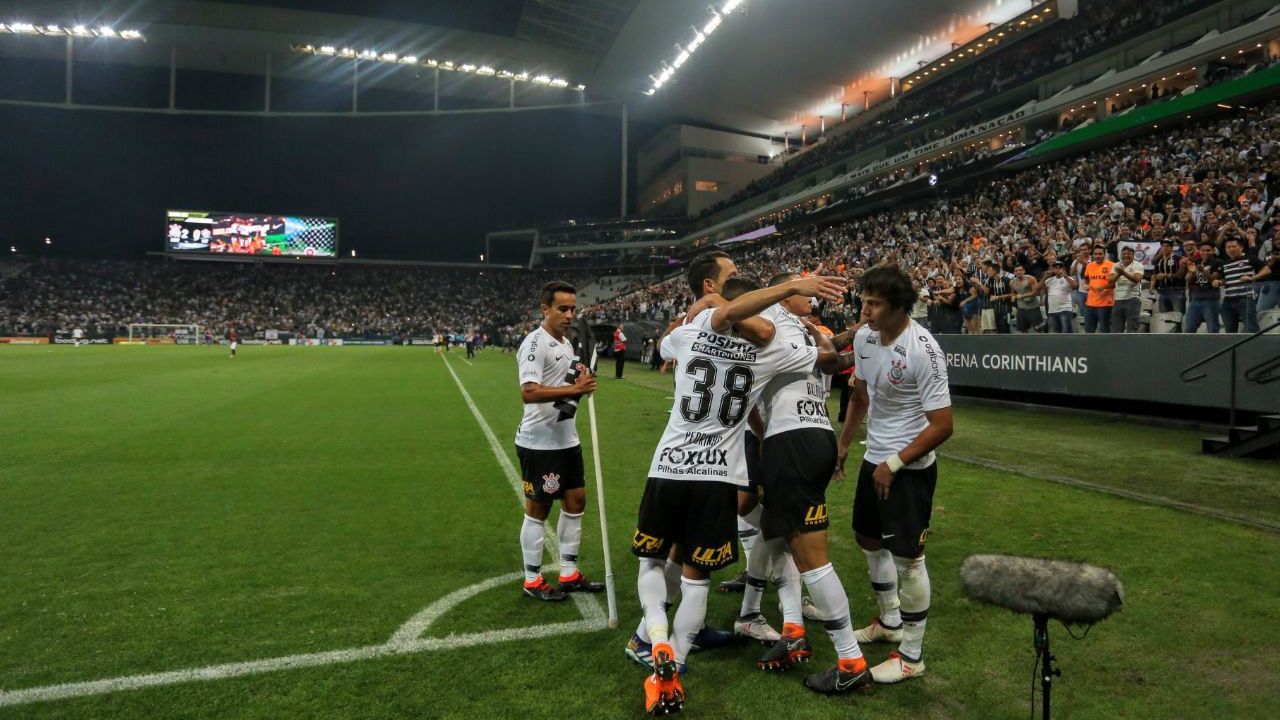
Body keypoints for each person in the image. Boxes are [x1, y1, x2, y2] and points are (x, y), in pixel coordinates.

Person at [633, 274, 865, 715]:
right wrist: (842, 332)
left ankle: (656, 639)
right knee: (711, 570)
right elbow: (830, 360)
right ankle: (681, 663)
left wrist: (703, 307)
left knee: (655, 561)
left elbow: (668, 343)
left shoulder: (694, 331)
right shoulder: (771, 349)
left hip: (672, 466)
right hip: (722, 473)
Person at [835, 264, 954, 686]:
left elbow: (943, 425)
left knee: (908, 559)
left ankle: (911, 656)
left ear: (900, 306)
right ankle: (889, 622)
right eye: (863, 302)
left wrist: (896, 463)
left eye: (874, 304)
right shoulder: (865, 338)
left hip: (909, 468)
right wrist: (843, 444)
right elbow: (860, 396)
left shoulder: (924, 350)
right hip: (875, 458)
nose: (865, 311)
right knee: (867, 538)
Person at [514, 281, 604, 602]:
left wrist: (582, 381)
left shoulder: (567, 344)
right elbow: (529, 392)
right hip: (539, 442)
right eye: (562, 308)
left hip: (567, 440)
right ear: (545, 309)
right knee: (538, 508)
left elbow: (570, 384)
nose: (569, 315)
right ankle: (532, 579)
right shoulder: (534, 343)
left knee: (576, 501)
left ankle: (569, 573)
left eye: (572, 309)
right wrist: (574, 389)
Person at [1220, 237, 1261, 333]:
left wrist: (1252, 278)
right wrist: (1219, 282)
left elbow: (1266, 270)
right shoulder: (1225, 264)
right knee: (1229, 331)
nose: (1231, 249)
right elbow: (1224, 280)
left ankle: (1255, 343)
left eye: (1234, 246)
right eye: (1228, 247)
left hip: (1245, 298)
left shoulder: (1250, 258)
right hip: (1228, 300)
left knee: (1251, 328)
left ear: (1241, 247)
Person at [1184, 240, 1225, 333]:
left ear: (1213, 251)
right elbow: (1188, 279)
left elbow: (1213, 280)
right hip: (1195, 299)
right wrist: (1192, 272)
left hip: (1211, 299)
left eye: (1208, 250)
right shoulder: (1196, 261)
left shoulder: (1218, 262)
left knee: (1212, 329)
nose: (1205, 252)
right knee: (1189, 329)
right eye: (1203, 250)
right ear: (1199, 251)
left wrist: (1202, 270)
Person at [1110, 246, 1145, 333]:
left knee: (1132, 329)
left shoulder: (1138, 265)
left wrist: (1123, 273)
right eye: (1124, 254)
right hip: (1118, 300)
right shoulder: (1116, 265)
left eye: (1129, 254)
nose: (1126, 255)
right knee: (1116, 330)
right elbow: (1110, 280)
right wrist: (1119, 274)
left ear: (1133, 255)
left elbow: (1137, 279)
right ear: (1121, 255)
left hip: (1132, 300)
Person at [1082, 245, 1116, 333]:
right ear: (1093, 254)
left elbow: (1115, 284)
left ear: (1105, 254)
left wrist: (1103, 287)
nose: (1097, 256)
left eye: (1100, 254)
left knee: (1105, 331)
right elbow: (1086, 281)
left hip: (1105, 304)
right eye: (1095, 254)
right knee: (1088, 331)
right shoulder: (1089, 265)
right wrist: (1085, 285)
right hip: (1090, 304)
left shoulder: (1112, 265)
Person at [1151, 239, 1186, 316]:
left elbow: (1180, 275)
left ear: (1172, 247)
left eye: (1168, 246)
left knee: (1178, 315)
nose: (1165, 248)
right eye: (1163, 246)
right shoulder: (1159, 261)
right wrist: (1152, 286)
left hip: (1177, 290)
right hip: (1162, 291)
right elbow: (1154, 274)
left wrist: (1166, 275)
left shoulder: (1179, 258)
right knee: (1164, 316)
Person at [1042, 261, 1077, 333]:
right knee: (1056, 332)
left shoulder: (1068, 279)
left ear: (1063, 269)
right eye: (1056, 268)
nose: (1058, 269)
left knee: (1067, 331)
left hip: (1065, 309)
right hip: (1052, 310)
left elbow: (1074, 286)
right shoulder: (1049, 280)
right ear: (1053, 269)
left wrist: (1065, 276)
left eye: (1059, 268)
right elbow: (1040, 288)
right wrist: (1045, 276)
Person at [1009, 265, 1042, 333]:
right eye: (1016, 271)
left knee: (1038, 329)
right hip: (1021, 309)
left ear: (1024, 271)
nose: (1018, 272)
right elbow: (1013, 293)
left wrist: (1022, 296)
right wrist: (1013, 296)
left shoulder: (1030, 279)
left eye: (1020, 270)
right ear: (1014, 272)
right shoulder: (1012, 282)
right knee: (1023, 329)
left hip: (1033, 308)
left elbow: (1036, 292)